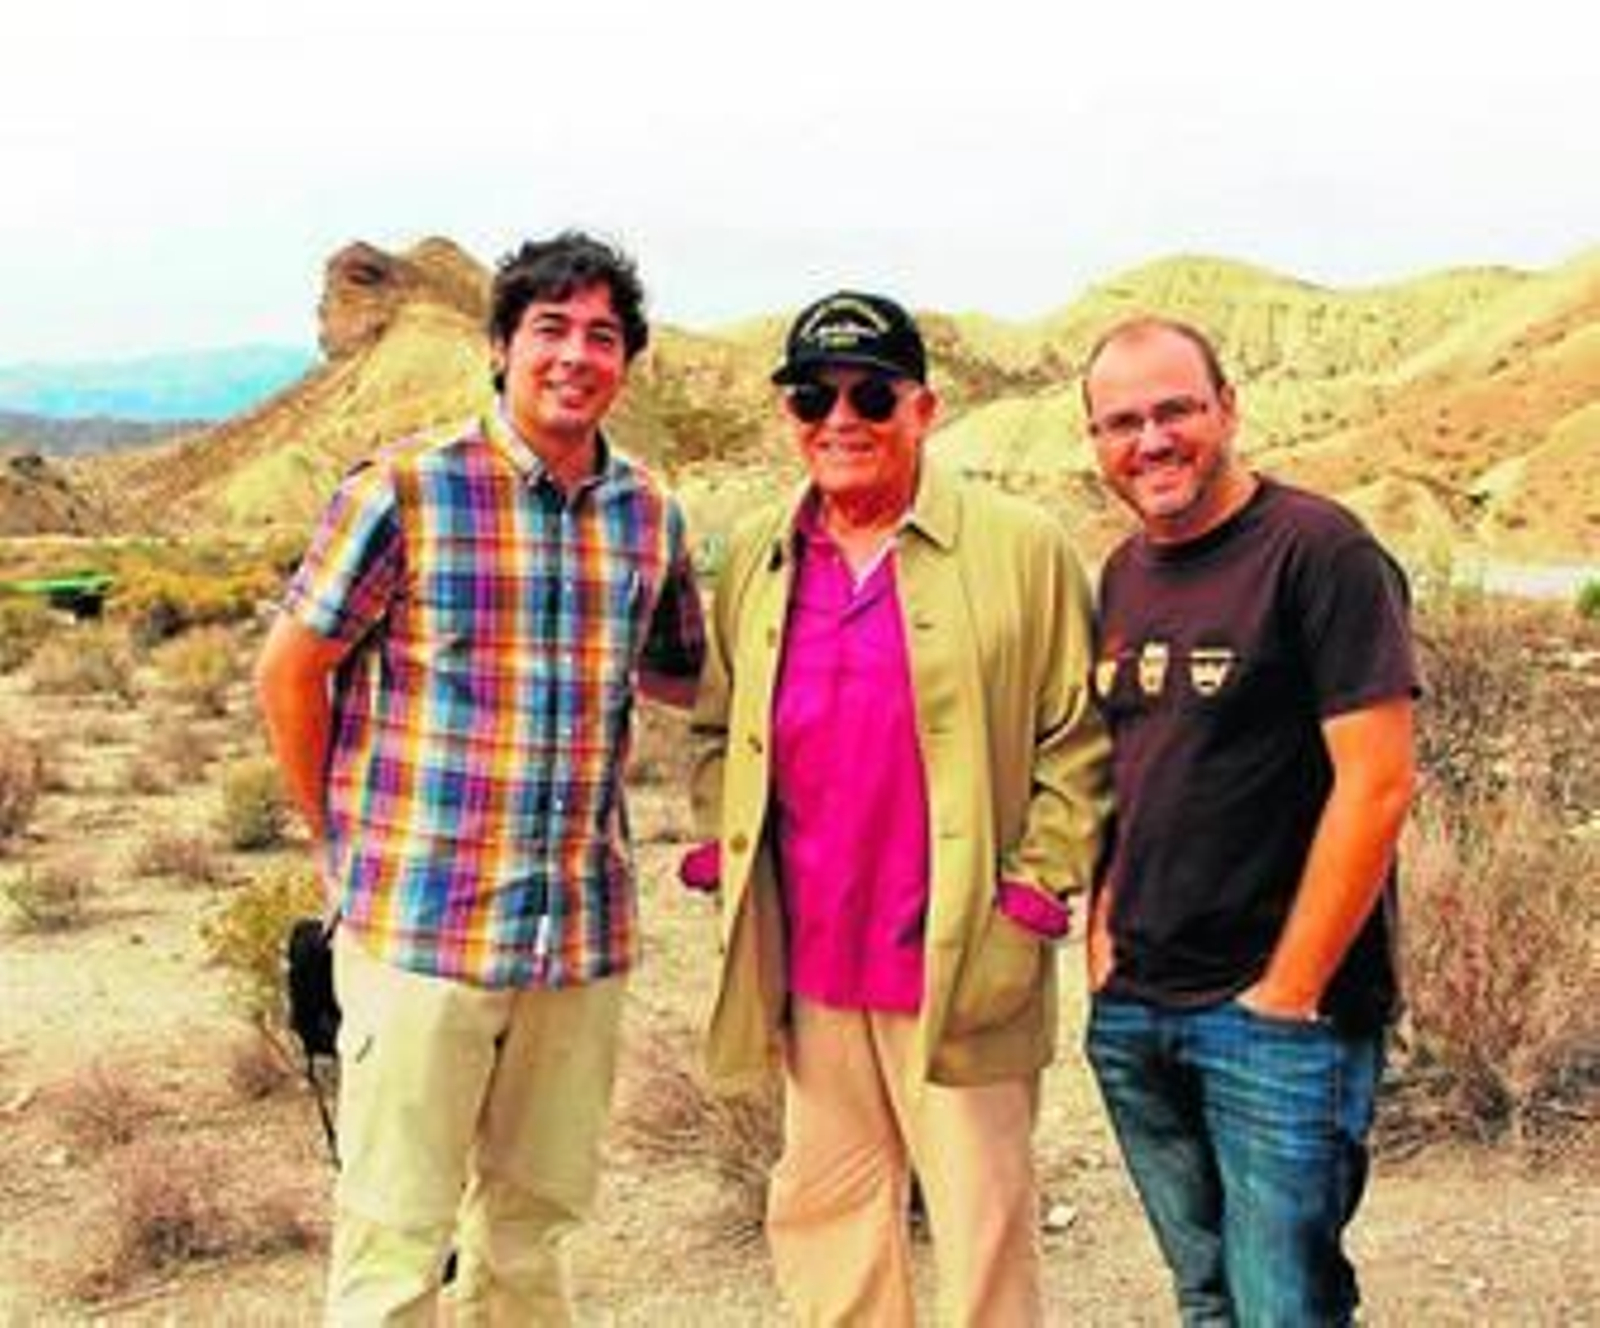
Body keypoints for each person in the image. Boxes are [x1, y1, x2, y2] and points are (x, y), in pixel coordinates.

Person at [254, 230, 704, 1325]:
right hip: (420, 929)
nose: (575, 354)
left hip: (577, 937)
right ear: (501, 346)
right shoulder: (404, 493)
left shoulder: (649, 515)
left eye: (602, 334)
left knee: (532, 1231)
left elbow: (688, 676)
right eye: (549, 328)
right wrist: (335, 837)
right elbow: (291, 668)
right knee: (393, 1240)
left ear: (625, 363)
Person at [683, 290, 1110, 1325]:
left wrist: (1032, 897)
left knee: (983, 1229)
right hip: (811, 963)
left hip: (963, 956)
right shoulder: (756, 553)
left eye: (871, 394)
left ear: (923, 407)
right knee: (827, 1219)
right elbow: (714, 728)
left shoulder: (1021, 547)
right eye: (811, 397)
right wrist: (718, 841)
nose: (840, 418)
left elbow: (1079, 741)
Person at [1080, 316, 1419, 1326]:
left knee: (1286, 1304)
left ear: (1227, 409)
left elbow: (1377, 783)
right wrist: (1100, 938)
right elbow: (1122, 770)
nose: (1151, 440)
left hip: (1276, 1018)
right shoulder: (1123, 573)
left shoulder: (1319, 550)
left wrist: (1289, 987)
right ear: (1094, 441)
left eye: (1175, 409)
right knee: (1207, 1294)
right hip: (1137, 1003)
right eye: (1121, 421)